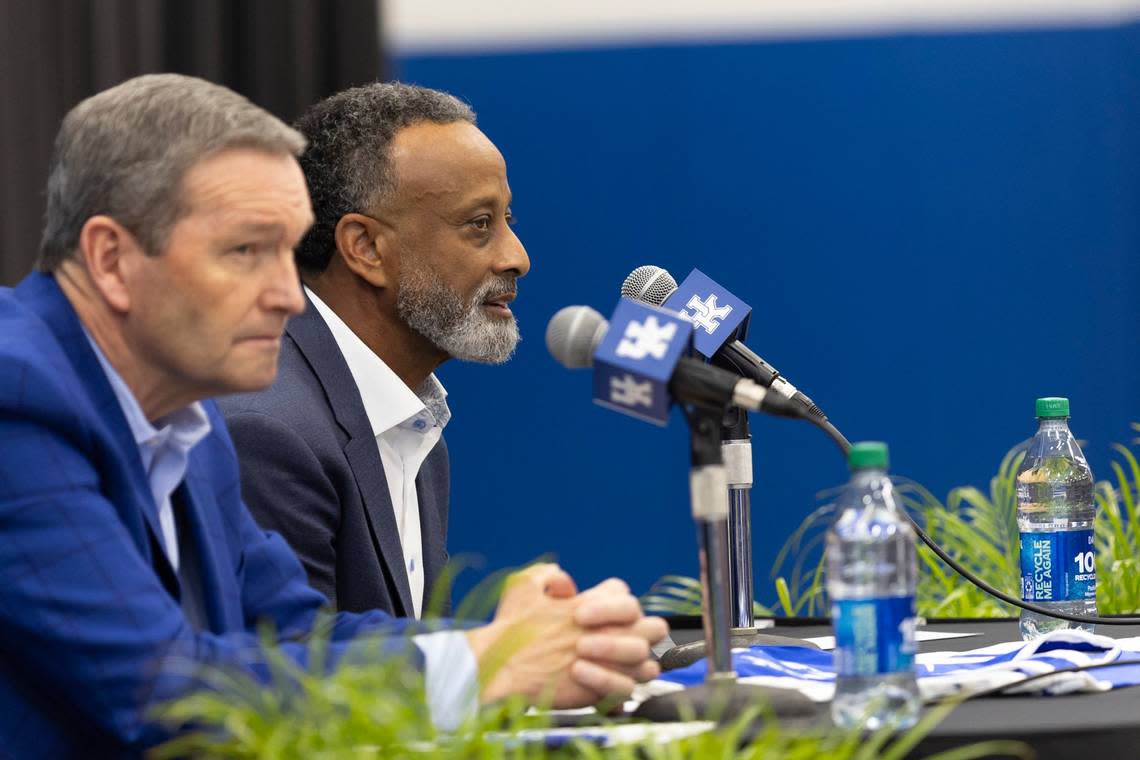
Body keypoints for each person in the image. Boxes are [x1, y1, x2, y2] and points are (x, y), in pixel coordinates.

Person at [0, 73, 666, 757]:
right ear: (112, 260)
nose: (290, 297)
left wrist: (517, 649)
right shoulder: (17, 397)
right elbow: (160, 692)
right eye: (246, 252)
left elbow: (295, 635)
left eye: (287, 253)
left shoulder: (183, 417)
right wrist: (482, 667)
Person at [219, 83, 524, 618]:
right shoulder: (269, 431)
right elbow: (294, 676)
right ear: (365, 248)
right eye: (479, 225)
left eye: (508, 221)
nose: (516, 257)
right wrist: (507, 655)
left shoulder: (414, 426)